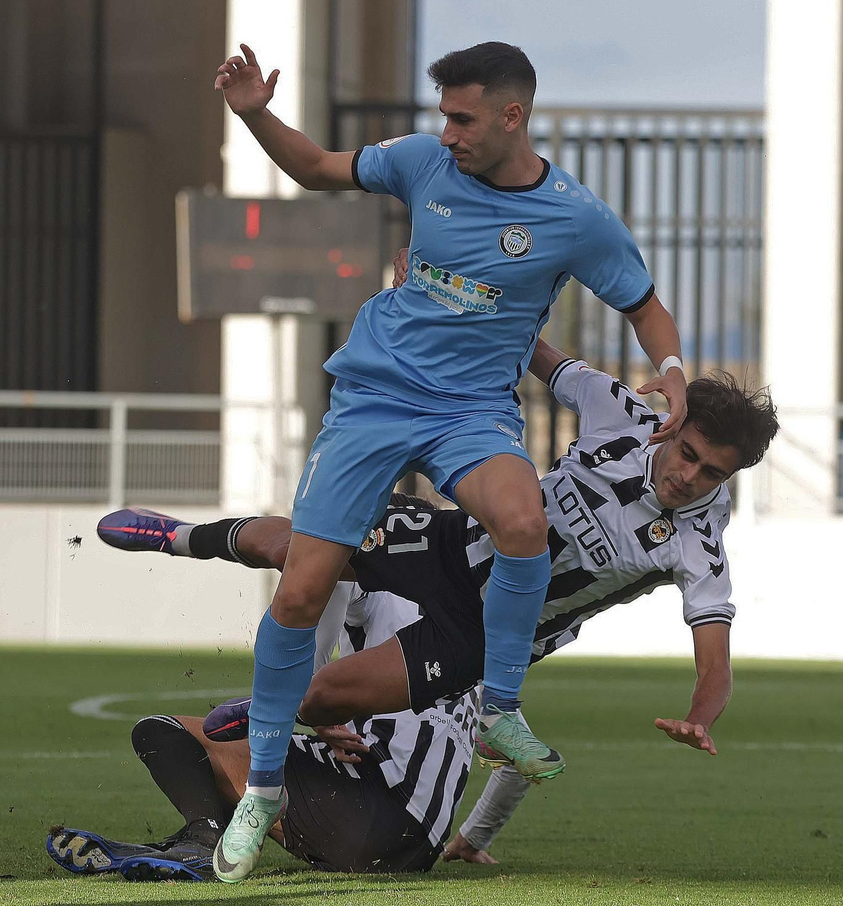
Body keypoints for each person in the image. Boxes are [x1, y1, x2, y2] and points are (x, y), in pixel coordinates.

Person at [210, 38, 688, 881]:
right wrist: (254, 114)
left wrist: (675, 372)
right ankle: (266, 787)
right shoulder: (422, 162)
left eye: (462, 116)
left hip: (471, 413)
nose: (448, 130)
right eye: (443, 114)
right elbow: (319, 168)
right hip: (373, 400)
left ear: (514, 115)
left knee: (522, 520)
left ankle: (499, 707)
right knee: (302, 590)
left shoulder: (575, 217)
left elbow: (645, 306)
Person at [100, 341, 777, 851]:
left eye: (713, 472)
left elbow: (715, 664)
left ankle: (265, 710)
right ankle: (181, 535)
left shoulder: (698, 546)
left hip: (479, 636)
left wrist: (701, 714)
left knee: (323, 697)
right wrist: (444, 287)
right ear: (674, 423)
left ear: (733, 474)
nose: (689, 475)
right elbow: (528, 346)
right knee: (312, 543)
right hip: (456, 542)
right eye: (687, 452)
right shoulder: (620, 412)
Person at [48, 579, 480, 881]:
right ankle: (197, 838)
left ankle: (203, 838)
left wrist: (311, 708)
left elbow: (315, 614)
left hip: (365, 807)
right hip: (416, 849)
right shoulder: (470, 628)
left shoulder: (373, 572)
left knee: (161, 732)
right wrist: (473, 837)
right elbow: (519, 762)